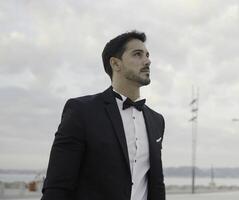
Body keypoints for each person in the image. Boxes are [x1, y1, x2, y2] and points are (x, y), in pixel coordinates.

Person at [41, 31, 166, 200]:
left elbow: (156, 184)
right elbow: (57, 186)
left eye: (147, 55)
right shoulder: (81, 111)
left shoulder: (156, 120)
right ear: (115, 63)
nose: (147, 61)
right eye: (137, 54)